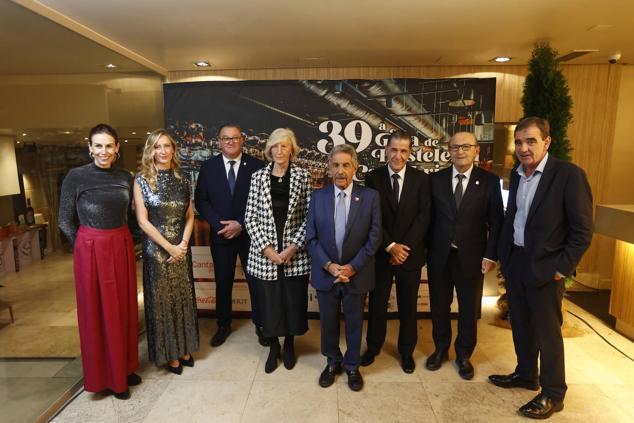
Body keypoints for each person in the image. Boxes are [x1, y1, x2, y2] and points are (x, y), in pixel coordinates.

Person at [489, 117, 593, 419]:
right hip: (517, 264)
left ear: (547, 142)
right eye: (519, 142)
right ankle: (525, 374)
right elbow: (516, 218)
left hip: (548, 269)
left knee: (548, 333)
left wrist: (562, 268)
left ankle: (553, 393)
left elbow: (582, 230)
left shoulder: (569, 176)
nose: (523, 148)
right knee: (521, 324)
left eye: (531, 141)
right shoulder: (518, 174)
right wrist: (504, 257)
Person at [58, 123, 141, 400]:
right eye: (98, 145)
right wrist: (84, 246)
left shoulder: (126, 176)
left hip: (121, 245)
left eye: (109, 146)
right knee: (97, 312)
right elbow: (64, 220)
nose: (103, 151)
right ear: (90, 147)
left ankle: (126, 367)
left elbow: (131, 217)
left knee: (124, 309)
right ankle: (108, 378)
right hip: (91, 249)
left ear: (116, 148)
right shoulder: (75, 176)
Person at [426, 132, 504, 380]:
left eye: (466, 146)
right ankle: (440, 349)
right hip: (439, 255)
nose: (460, 151)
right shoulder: (435, 180)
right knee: (439, 306)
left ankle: (464, 355)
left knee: (469, 308)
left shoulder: (489, 182)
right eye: (455, 147)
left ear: (476, 150)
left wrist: (491, 255)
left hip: (472, 257)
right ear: (448, 150)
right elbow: (427, 219)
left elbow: (497, 222)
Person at [306, 144, 381, 392]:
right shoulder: (317, 197)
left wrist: (352, 267)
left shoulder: (370, 197)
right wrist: (329, 266)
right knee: (328, 322)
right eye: (335, 165)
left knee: (354, 322)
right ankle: (332, 362)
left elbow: (374, 237)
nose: (340, 170)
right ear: (329, 168)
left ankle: (351, 366)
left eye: (345, 165)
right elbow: (311, 238)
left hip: (356, 275)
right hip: (327, 273)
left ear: (355, 168)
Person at [361, 130, 431, 373]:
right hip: (381, 253)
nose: (398, 155)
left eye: (403, 150)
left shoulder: (422, 179)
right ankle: (373, 347)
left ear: (409, 152)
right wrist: (391, 246)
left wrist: (403, 249)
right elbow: (372, 217)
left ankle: (406, 352)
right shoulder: (373, 178)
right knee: (377, 304)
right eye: (394, 149)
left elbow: (424, 217)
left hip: (410, 255)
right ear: (386, 150)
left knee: (408, 306)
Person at [244, 128, 312, 373]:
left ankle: (290, 343)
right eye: (275, 146)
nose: (279, 151)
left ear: (292, 149)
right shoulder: (257, 177)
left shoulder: (303, 177)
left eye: (284, 146)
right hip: (265, 256)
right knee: (269, 302)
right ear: (269, 150)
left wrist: (294, 246)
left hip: (295, 254)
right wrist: (267, 249)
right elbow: (250, 217)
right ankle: (273, 346)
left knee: (293, 301)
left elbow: (309, 217)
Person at [134, 129, 200, 375]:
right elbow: (143, 221)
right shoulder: (141, 180)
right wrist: (170, 247)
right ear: (150, 151)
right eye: (157, 147)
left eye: (166, 146)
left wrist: (183, 244)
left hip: (181, 248)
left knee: (182, 299)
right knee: (163, 303)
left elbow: (190, 215)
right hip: (157, 250)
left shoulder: (182, 179)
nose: (162, 151)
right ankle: (170, 353)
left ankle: (184, 348)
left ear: (173, 149)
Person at [195, 124, 266, 347]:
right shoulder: (208, 167)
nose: (230, 142)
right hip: (221, 236)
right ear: (219, 141)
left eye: (235, 138)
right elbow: (201, 201)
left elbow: (263, 202)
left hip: (250, 236)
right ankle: (223, 325)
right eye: (226, 138)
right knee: (223, 283)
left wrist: (241, 224)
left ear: (242, 140)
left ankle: (262, 325)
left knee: (256, 282)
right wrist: (219, 225)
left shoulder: (257, 166)